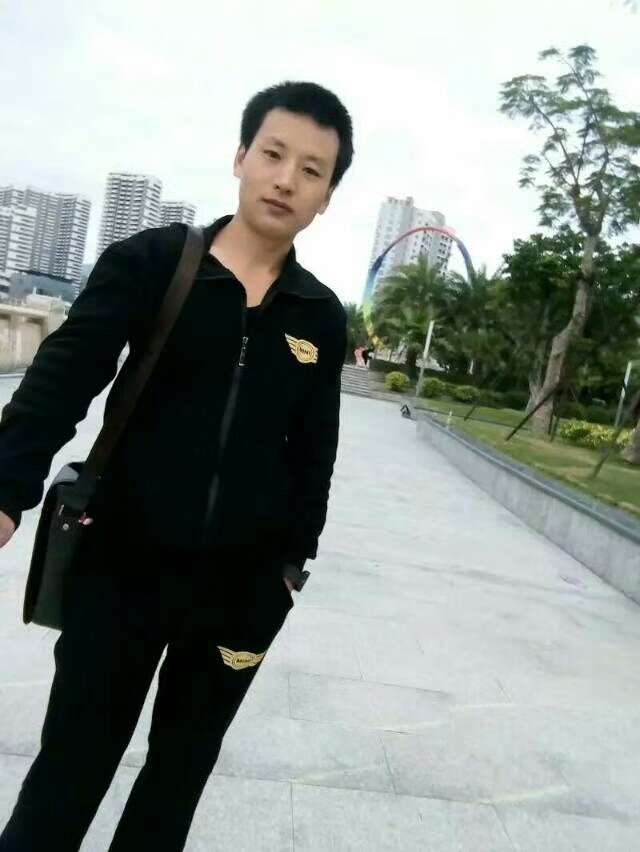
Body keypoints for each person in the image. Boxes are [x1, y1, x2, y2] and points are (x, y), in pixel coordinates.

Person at [0, 80, 353, 851]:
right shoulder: (154, 262)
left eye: (312, 170)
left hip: (242, 593)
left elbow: (314, 454)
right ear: (241, 157)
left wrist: (289, 570)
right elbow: (64, 374)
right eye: (274, 155)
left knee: (177, 781)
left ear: (327, 197)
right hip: (119, 570)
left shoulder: (319, 316)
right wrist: (6, 487)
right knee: (69, 773)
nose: (286, 179)